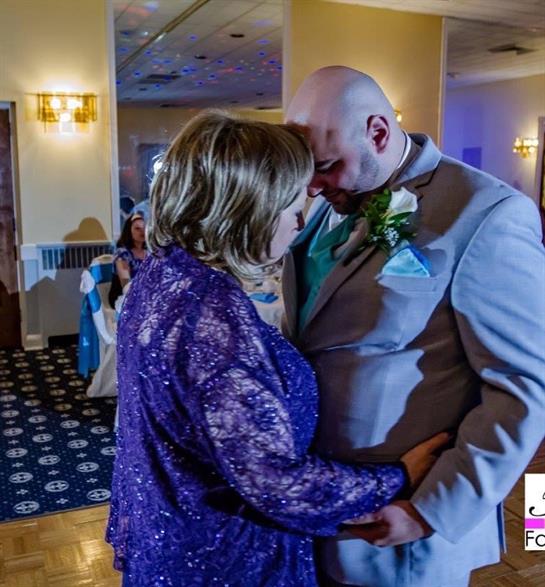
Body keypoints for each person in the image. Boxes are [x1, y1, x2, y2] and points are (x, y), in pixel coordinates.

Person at [105, 111, 448, 587]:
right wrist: (397, 478)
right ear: (247, 208)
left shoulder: (161, 273)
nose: (301, 220)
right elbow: (275, 483)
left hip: (174, 539)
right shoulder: (208, 311)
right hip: (228, 561)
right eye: (290, 205)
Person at [284, 66, 545, 587]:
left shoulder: (486, 213)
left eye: (327, 166)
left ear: (378, 132)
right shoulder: (324, 206)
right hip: (316, 510)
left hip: (402, 524)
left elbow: (525, 387)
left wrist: (431, 510)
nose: (312, 186)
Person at [108, 213, 147, 308]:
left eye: (144, 228)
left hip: (143, 294)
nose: (142, 231)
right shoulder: (122, 254)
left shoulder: (149, 252)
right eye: (137, 228)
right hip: (122, 296)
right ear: (129, 231)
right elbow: (126, 284)